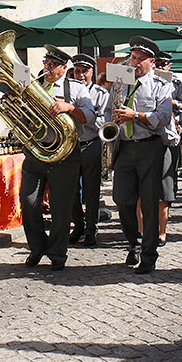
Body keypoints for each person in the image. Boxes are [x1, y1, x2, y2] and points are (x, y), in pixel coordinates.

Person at [20, 45, 94, 269]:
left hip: (65, 155)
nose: (47, 68)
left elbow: (89, 117)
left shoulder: (76, 89)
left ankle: (58, 253)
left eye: (52, 65)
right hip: (37, 153)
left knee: (61, 207)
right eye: (46, 63)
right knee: (28, 201)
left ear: (64, 68)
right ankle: (38, 247)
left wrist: (69, 107)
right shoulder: (35, 85)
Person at [111, 36, 172, 274]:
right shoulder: (121, 81)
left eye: (139, 59)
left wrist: (135, 116)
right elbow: (109, 110)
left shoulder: (160, 85)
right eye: (132, 57)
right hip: (125, 147)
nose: (133, 62)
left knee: (149, 203)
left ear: (151, 62)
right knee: (122, 201)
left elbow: (163, 118)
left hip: (150, 146)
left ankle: (149, 254)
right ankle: (134, 243)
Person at [69, 53, 108, 247]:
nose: (81, 75)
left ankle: (92, 228)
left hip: (91, 143)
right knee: (70, 189)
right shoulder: (67, 90)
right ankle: (78, 225)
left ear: (92, 72)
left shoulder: (101, 93)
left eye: (85, 71)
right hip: (69, 146)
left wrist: (82, 115)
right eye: (77, 71)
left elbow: (104, 121)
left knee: (91, 191)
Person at [155, 51, 182, 246]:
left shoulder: (176, 84)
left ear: (169, 65)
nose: (161, 66)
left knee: (169, 175)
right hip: (153, 133)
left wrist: (172, 102)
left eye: (164, 63)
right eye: (158, 63)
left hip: (171, 132)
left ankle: (167, 202)